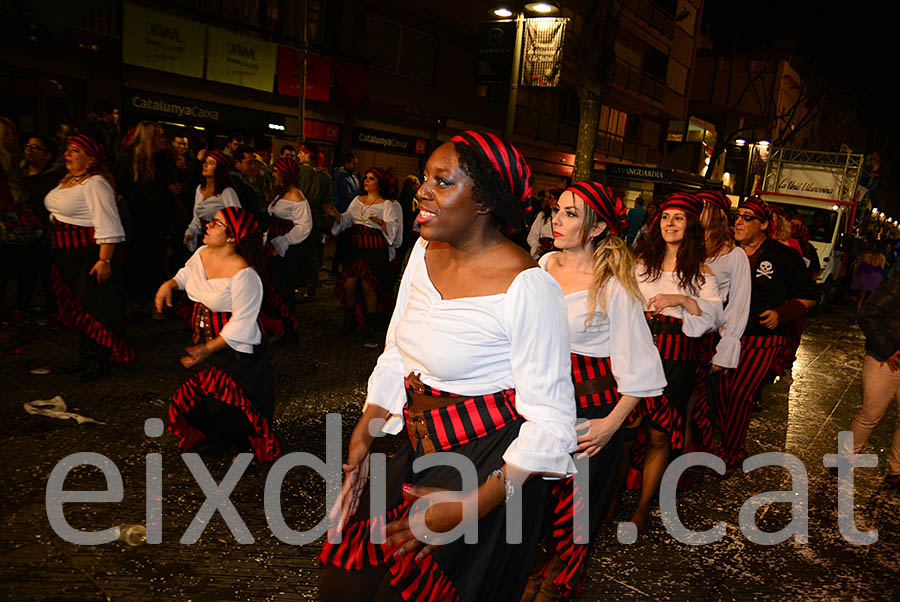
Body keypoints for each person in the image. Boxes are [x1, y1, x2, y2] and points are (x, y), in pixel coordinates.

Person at [318, 131, 577, 602]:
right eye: (426, 178)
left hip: (487, 466)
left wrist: (472, 507)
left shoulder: (528, 287)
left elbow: (553, 423)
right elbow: (398, 349)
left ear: (484, 201)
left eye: (443, 181)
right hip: (421, 445)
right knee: (345, 582)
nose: (422, 190)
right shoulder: (422, 251)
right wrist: (368, 425)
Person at [527, 182, 666, 599]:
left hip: (590, 408)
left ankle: (559, 585)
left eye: (571, 213)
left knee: (575, 513)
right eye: (558, 209)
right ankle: (530, 572)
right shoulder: (542, 264)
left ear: (596, 227)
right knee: (531, 503)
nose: (557, 218)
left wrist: (610, 425)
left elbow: (640, 367)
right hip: (537, 403)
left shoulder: (613, 284)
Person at [627, 192, 721, 532]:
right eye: (666, 217)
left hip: (676, 358)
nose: (670, 223)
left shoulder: (701, 273)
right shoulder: (640, 264)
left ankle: (641, 509)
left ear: (691, 225)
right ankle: (606, 501)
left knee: (658, 435)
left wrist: (680, 298)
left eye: (678, 218)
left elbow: (712, 317)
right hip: (636, 351)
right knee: (625, 430)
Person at [156, 207, 281, 461]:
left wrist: (209, 348)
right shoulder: (202, 253)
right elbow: (186, 274)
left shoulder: (244, 274)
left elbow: (242, 323)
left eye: (217, 223)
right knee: (203, 400)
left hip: (236, 351)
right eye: (211, 221)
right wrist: (168, 285)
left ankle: (244, 448)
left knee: (230, 403)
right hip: (205, 342)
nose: (209, 226)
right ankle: (219, 440)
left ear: (232, 237)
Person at [716, 196, 816, 469]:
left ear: (763, 225)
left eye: (747, 218)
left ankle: (731, 452)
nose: (738, 222)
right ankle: (726, 441)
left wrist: (780, 314)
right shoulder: (725, 253)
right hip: (724, 336)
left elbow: (809, 297)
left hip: (761, 338)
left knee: (739, 394)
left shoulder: (784, 256)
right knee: (721, 393)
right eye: (737, 216)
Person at [44, 133, 133, 378]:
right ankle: (85, 356)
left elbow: (108, 224)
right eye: (68, 150)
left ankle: (100, 359)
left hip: (89, 256)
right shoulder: (68, 181)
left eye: (75, 151)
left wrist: (104, 260)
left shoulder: (95, 183)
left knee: (97, 306)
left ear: (91, 159)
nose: (68, 155)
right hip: (67, 255)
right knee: (78, 306)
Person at [689, 191, 751, 452]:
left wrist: (725, 351)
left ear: (714, 214)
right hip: (676, 336)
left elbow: (738, 303)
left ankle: (687, 458)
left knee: (695, 403)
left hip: (707, 340)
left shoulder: (734, 255)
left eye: (700, 208)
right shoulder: (685, 246)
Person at [840, 269, 900, 492]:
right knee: (870, 414)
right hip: (884, 361)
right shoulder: (895, 286)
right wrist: (888, 350)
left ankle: (896, 472)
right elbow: (868, 315)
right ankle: (845, 459)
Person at [324, 167, 402, 338]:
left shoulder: (386, 204)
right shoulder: (357, 200)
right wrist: (336, 214)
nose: (366, 181)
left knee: (368, 287)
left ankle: (369, 327)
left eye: (371, 178)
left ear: (379, 183)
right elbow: (346, 220)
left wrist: (381, 222)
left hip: (374, 250)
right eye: (366, 178)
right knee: (348, 285)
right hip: (355, 248)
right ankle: (348, 325)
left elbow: (393, 228)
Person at [116, 120, 174, 309]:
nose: (163, 139)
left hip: (156, 221)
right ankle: (136, 299)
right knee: (137, 261)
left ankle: (150, 299)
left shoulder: (162, 158)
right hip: (136, 220)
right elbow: (121, 187)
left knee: (154, 261)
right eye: (160, 135)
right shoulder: (128, 158)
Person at [265, 157, 313, 342]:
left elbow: (304, 227)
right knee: (273, 288)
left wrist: (283, 242)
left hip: (287, 251)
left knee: (283, 290)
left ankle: (289, 331)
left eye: (277, 171)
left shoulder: (296, 196)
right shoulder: (280, 192)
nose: (274, 173)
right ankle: (277, 326)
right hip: (274, 246)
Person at [184, 150, 241, 252]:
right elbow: (196, 219)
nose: (205, 165)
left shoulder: (226, 192)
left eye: (210, 163)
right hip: (203, 239)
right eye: (205, 162)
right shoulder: (199, 189)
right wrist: (191, 232)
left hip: (219, 242)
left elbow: (236, 219)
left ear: (219, 169)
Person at [851, 240, 886, 314]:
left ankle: (857, 316)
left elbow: (857, 266)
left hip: (864, 277)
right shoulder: (882, 257)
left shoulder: (865, 255)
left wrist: (854, 276)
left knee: (861, 298)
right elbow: (882, 269)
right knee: (870, 300)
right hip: (875, 278)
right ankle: (864, 316)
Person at [231, 145, 260, 217]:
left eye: (254, 162)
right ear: (237, 163)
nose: (253, 166)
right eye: (249, 163)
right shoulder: (235, 184)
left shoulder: (245, 180)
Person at [526, 192, 557, 260]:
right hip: (541, 255)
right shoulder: (542, 215)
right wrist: (537, 246)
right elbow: (532, 236)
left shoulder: (565, 219)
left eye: (555, 198)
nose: (551, 201)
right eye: (550, 198)